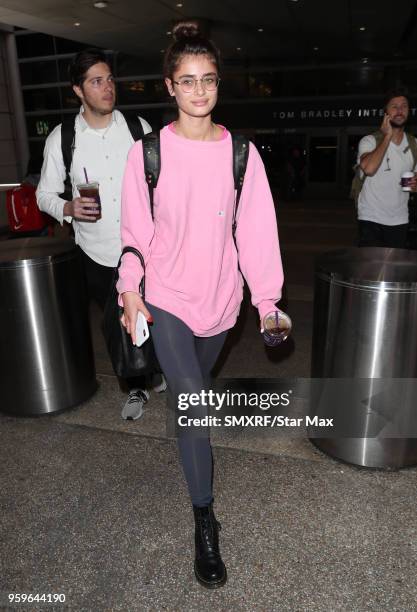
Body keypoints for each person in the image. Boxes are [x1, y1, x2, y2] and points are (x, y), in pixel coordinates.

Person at [116, 22, 284, 588]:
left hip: (221, 302)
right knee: (195, 406)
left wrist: (266, 302)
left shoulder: (242, 153)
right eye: (187, 81)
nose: (199, 91)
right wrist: (131, 288)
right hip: (166, 297)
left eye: (207, 79)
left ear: (217, 84)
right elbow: (135, 232)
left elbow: (258, 232)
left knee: (196, 391)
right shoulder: (148, 154)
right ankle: (204, 520)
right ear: (170, 85)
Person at [36, 48, 165, 420]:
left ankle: (146, 375)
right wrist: (68, 207)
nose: (108, 88)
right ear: (78, 90)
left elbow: (163, 185)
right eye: (96, 81)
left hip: (143, 247)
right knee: (116, 323)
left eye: (110, 79)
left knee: (148, 316)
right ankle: (139, 384)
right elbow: (44, 194)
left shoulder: (139, 130)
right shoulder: (63, 139)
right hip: (94, 251)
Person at [356, 90, 417, 248]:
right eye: (394, 106)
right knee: (372, 270)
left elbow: (411, 182)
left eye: (404, 106)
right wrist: (387, 137)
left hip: (400, 219)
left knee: (394, 271)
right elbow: (369, 169)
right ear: (386, 113)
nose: (399, 110)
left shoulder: (414, 144)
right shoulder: (369, 141)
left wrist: (414, 185)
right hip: (370, 217)